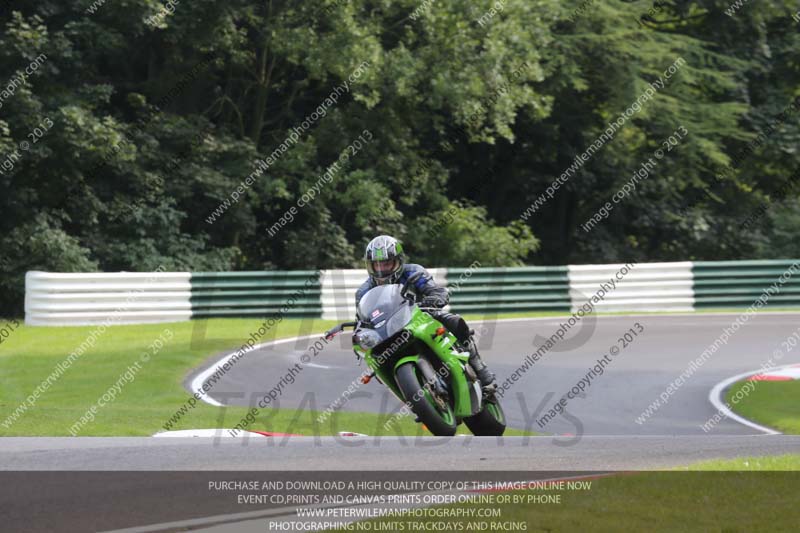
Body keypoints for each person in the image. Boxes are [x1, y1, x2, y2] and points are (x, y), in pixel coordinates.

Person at [355, 235, 496, 390]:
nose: (382, 269)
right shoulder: (364, 291)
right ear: (370, 266)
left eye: (387, 263)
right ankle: (412, 399)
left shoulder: (413, 272)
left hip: (422, 317)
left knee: (454, 321)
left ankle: (479, 367)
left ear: (399, 261)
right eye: (377, 265)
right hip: (388, 331)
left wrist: (434, 298)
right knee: (376, 360)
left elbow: (436, 291)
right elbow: (362, 320)